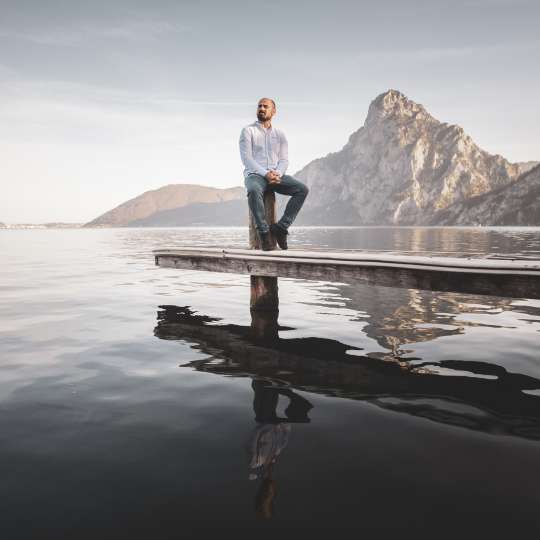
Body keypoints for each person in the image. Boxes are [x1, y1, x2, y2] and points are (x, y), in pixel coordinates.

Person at [239, 98, 309, 251]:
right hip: (255, 175)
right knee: (253, 190)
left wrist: (277, 173)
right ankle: (263, 232)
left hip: (276, 175)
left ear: (273, 111)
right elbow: (247, 159)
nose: (261, 109)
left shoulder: (280, 134)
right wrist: (266, 174)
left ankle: (281, 228)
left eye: (265, 106)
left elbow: (284, 159)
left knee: (302, 189)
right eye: (259, 106)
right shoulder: (248, 131)